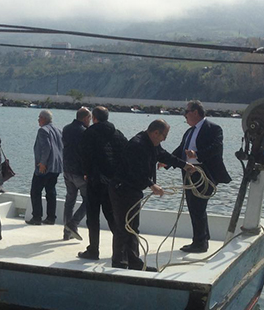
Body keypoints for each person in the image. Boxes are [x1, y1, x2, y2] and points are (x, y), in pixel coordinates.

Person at [110, 120, 194, 271]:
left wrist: (184, 165)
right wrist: (151, 184)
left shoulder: (152, 144)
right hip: (122, 189)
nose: (164, 139)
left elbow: (164, 156)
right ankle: (119, 263)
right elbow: (134, 170)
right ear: (156, 133)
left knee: (133, 227)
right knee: (124, 226)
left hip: (133, 189)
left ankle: (134, 262)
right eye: (164, 136)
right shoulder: (137, 144)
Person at [172, 100, 231, 253]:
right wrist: (167, 161)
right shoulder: (189, 131)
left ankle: (200, 243)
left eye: (186, 112)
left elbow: (216, 148)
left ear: (195, 112)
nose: (184, 116)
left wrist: (197, 155)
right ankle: (202, 238)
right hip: (189, 172)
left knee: (198, 207)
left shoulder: (213, 128)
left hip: (203, 173)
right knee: (194, 207)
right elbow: (181, 149)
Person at [78, 106, 126, 260]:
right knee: (112, 216)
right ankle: (122, 250)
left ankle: (93, 250)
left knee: (93, 217)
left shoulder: (89, 133)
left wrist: (85, 173)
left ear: (94, 118)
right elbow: (125, 155)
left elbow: (84, 156)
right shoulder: (117, 134)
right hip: (113, 182)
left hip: (95, 180)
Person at [26, 110, 63, 226]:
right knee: (51, 191)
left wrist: (42, 163)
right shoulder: (58, 130)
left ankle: (37, 217)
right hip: (56, 167)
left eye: (39, 118)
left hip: (45, 167)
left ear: (43, 119)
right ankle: (51, 218)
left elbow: (46, 147)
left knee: (35, 191)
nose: (38, 120)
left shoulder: (43, 130)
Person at [61, 107, 91, 240]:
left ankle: (66, 232)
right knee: (89, 200)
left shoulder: (66, 129)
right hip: (80, 172)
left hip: (67, 170)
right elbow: (85, 154)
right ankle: (74, 223)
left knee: (70, 200)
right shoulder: (85, 132)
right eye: (89, 119)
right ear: (85, 118)